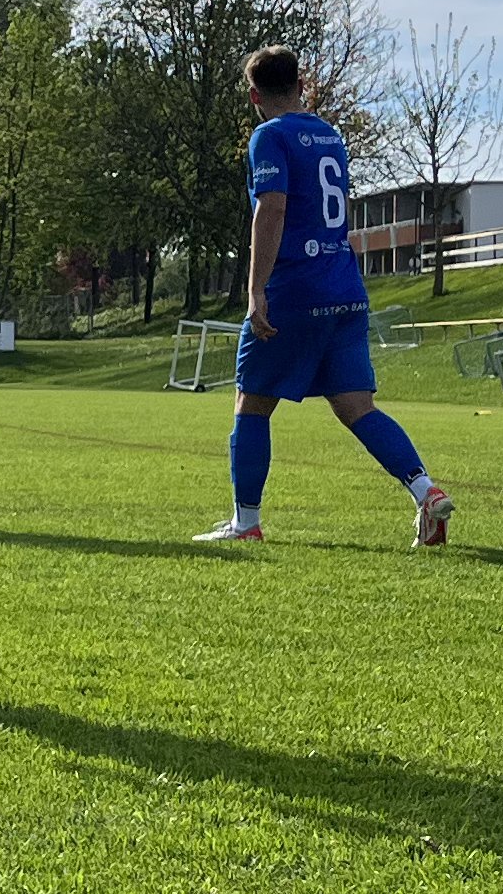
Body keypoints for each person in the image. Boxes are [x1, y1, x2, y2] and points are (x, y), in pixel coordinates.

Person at [194, 44, 456, 549]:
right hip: (345, 289)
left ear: (254, 96)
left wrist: (255, 289)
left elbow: (271, 209)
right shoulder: (330, 136)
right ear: (302, 85)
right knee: (358, 407)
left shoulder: (269, 135)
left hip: (295, 288)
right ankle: (426, 491)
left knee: (252, 403)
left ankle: (246, 522)